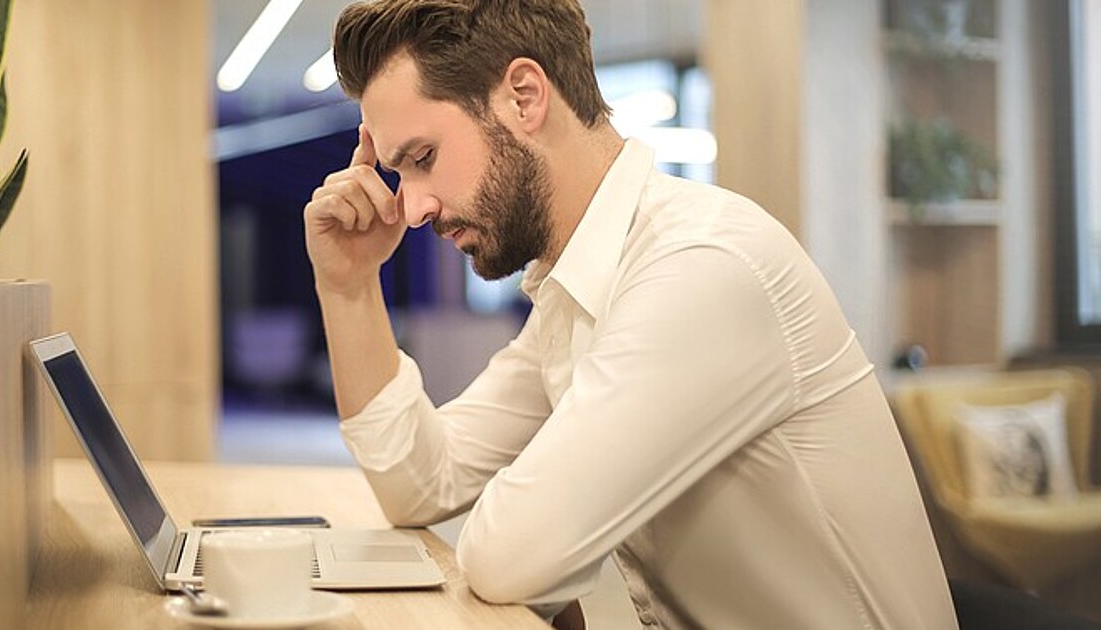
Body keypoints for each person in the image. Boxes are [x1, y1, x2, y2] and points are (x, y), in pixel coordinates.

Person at [301, 1, 958, 628]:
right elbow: (422, 485)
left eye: (422, 159)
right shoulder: (577, 287)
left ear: (524, 97)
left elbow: (511, 557)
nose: (412, 208)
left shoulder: (699, 266)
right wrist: (349, 286)